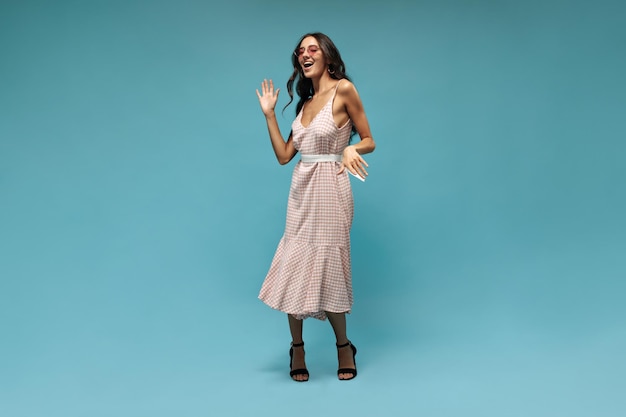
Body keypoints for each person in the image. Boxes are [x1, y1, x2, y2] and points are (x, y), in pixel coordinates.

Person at [256, 32, 375, 382]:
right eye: (300, 51)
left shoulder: (344, 90)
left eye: (312, 49)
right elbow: (283, 156)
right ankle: (297, 348)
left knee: (330, 265)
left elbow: (369, 138)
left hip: (331, 189)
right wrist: (268, 116)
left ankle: (343, 346)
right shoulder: (305, 104)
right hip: (301, 192)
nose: (304, 55)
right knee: (294, 264)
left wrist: (352, 149)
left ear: (327, 56)